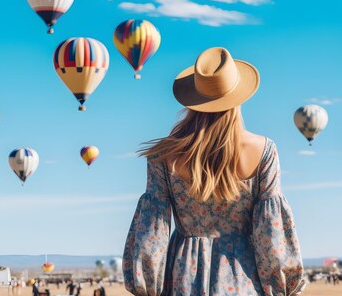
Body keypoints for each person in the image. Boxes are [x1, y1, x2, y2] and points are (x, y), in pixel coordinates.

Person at [123, 47, 306, 296]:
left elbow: (151, 233)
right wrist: (283, 286)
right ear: (239, 96)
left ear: (193, 100)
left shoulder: (164, 155)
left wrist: (147, 285)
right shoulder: (264, 150)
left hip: (182, 276)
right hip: (243, 276)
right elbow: (270, 234)